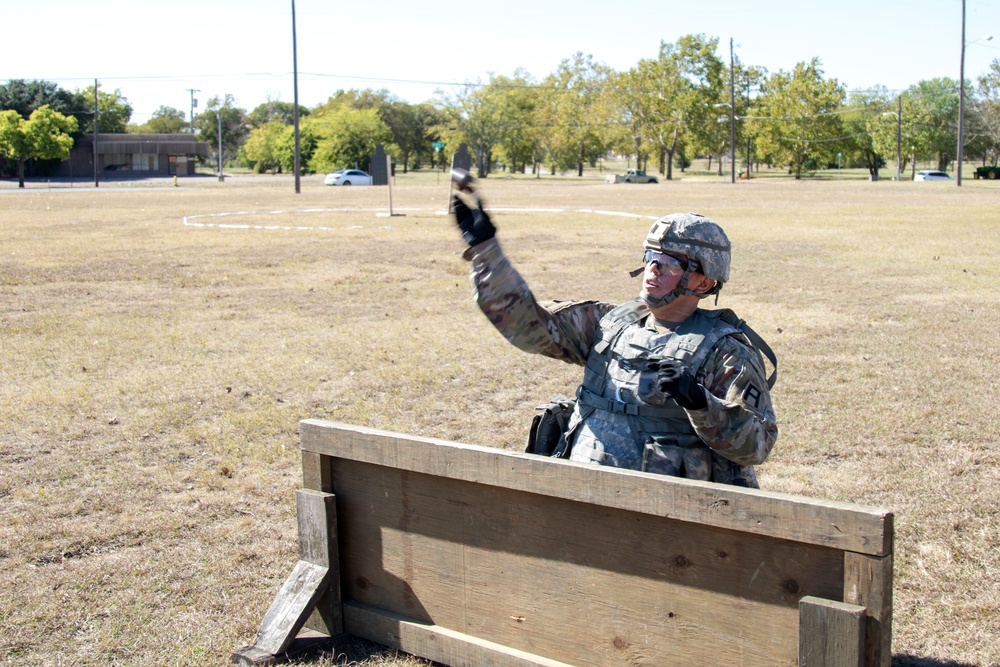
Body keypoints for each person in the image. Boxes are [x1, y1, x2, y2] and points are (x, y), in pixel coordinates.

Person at [450, 171, 777, 487]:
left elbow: (757, 445)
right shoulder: (609, 323)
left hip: (663, 511)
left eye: (671, 263)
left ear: (703, 283)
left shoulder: (725, 351)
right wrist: (486, 251)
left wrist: (698, 401)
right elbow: (526, 325)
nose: (653, 268)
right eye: (651, 256)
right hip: (584, 494)